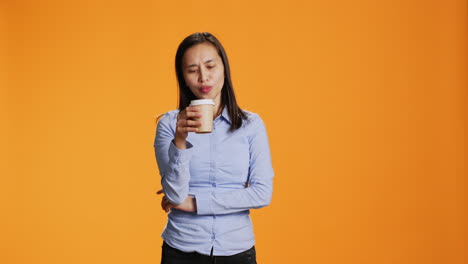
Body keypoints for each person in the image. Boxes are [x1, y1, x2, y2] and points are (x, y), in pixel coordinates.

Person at [154, 32, 274, 264]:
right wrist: (180, 140)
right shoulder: (169, 125)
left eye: (210, 66)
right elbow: (175, 195)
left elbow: (261, 193)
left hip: (236, 248)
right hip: (181, 249)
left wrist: (194, 203)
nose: (203, 78)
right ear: (183, 77)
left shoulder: (251, 125)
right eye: (192, 70)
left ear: (224, 68)